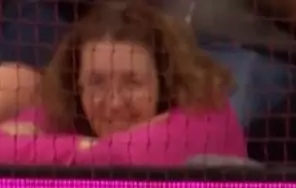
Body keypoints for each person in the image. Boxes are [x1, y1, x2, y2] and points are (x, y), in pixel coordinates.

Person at [0, 2, 246, 167]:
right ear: (76, 86)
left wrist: (83, 148)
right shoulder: (67, 110)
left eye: (132, 82)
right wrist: (84, 148)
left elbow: (114, 159)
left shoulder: (203, 111)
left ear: (163, 81)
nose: (115, 102)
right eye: (97, 83)